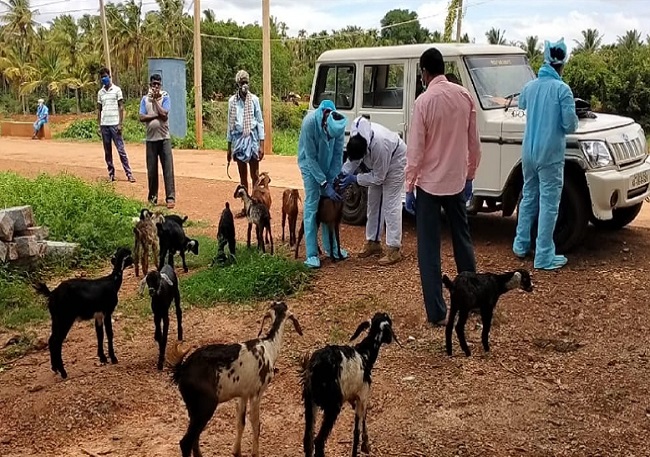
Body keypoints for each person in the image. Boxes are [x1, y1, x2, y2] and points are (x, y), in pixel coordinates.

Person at [405, 47, 482, 326]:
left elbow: (415, 149)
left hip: (429, 185)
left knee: (429, 248)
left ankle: (437, 311)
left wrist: (409, 186)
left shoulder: (424, 102)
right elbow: (474, 143)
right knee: (462, 240)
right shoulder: (464, 96)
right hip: (456, 181)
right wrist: (470, 176)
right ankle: (472, 299)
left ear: (425, 72)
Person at [512, 38, 579, 270]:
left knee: (529, 197)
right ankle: (544, 255)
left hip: (528, 153)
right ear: (563, 62)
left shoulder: (530, 87)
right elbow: (570, 125)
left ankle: (520, 245)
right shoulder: (563, 90)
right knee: (550, 203)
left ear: (546, 59)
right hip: (550, 155)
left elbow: (521, 106)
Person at [339, 115, 406, 266]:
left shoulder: (380, 144)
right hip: (377, 167)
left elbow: (379, 178)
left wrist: (355, 179)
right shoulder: (357, 138)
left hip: (396, 161)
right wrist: (342, 175)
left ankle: (394, 248)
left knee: (391, 204)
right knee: (373, 202)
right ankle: (373, 242)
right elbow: (353, 160)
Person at [297, 99, 348, 269]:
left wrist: (332, 180)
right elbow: (310, 158)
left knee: (329, 204)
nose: (329, 137)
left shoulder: (338, 124)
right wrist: (322, 182)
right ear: (325, 121)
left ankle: (332, 248)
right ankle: (311, 254)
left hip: (327, 165)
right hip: (309, 165)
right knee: (312, 204)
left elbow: (337, 155)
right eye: (327, 133)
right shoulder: (309, 124)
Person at [226, 69, 265, 217]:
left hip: (253, 140)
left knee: (255, 175)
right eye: (242, 83)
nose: (244, 85)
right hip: (239, 142)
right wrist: (229, 148)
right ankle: (246, 207)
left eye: (246, 82)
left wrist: (262, 144)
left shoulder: (254, 100)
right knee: (243, 177)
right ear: (237, 84)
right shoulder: (232, 102)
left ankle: (257, 204)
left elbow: (260, 122)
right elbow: (230, 125)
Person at [139, 73, 176, 209]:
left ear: (161, 86)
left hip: (164, 138)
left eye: (158, 84)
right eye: (153, 84)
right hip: (151, 140)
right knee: (152, 170)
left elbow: (165, 115)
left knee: (168, 169)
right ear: (150, 85)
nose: (155, 87)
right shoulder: (144, 99)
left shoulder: (165, 97)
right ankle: (152, 198)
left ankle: (170, 197)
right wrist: (155, 115)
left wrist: (155, 101)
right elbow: (142, 117)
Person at [97, 67, 135, 183]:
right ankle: (111, 174)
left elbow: (121, 107)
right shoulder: (100, 93)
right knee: (107, 151)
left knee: (121, 150)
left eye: (105, 76)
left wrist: (120, 123)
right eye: (102, 77)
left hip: (114, 124)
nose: (104, 79)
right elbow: (99, 110)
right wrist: (99, 125)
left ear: (110, 76)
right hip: (105, 125)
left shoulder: (117, 90)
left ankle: (129, 174)